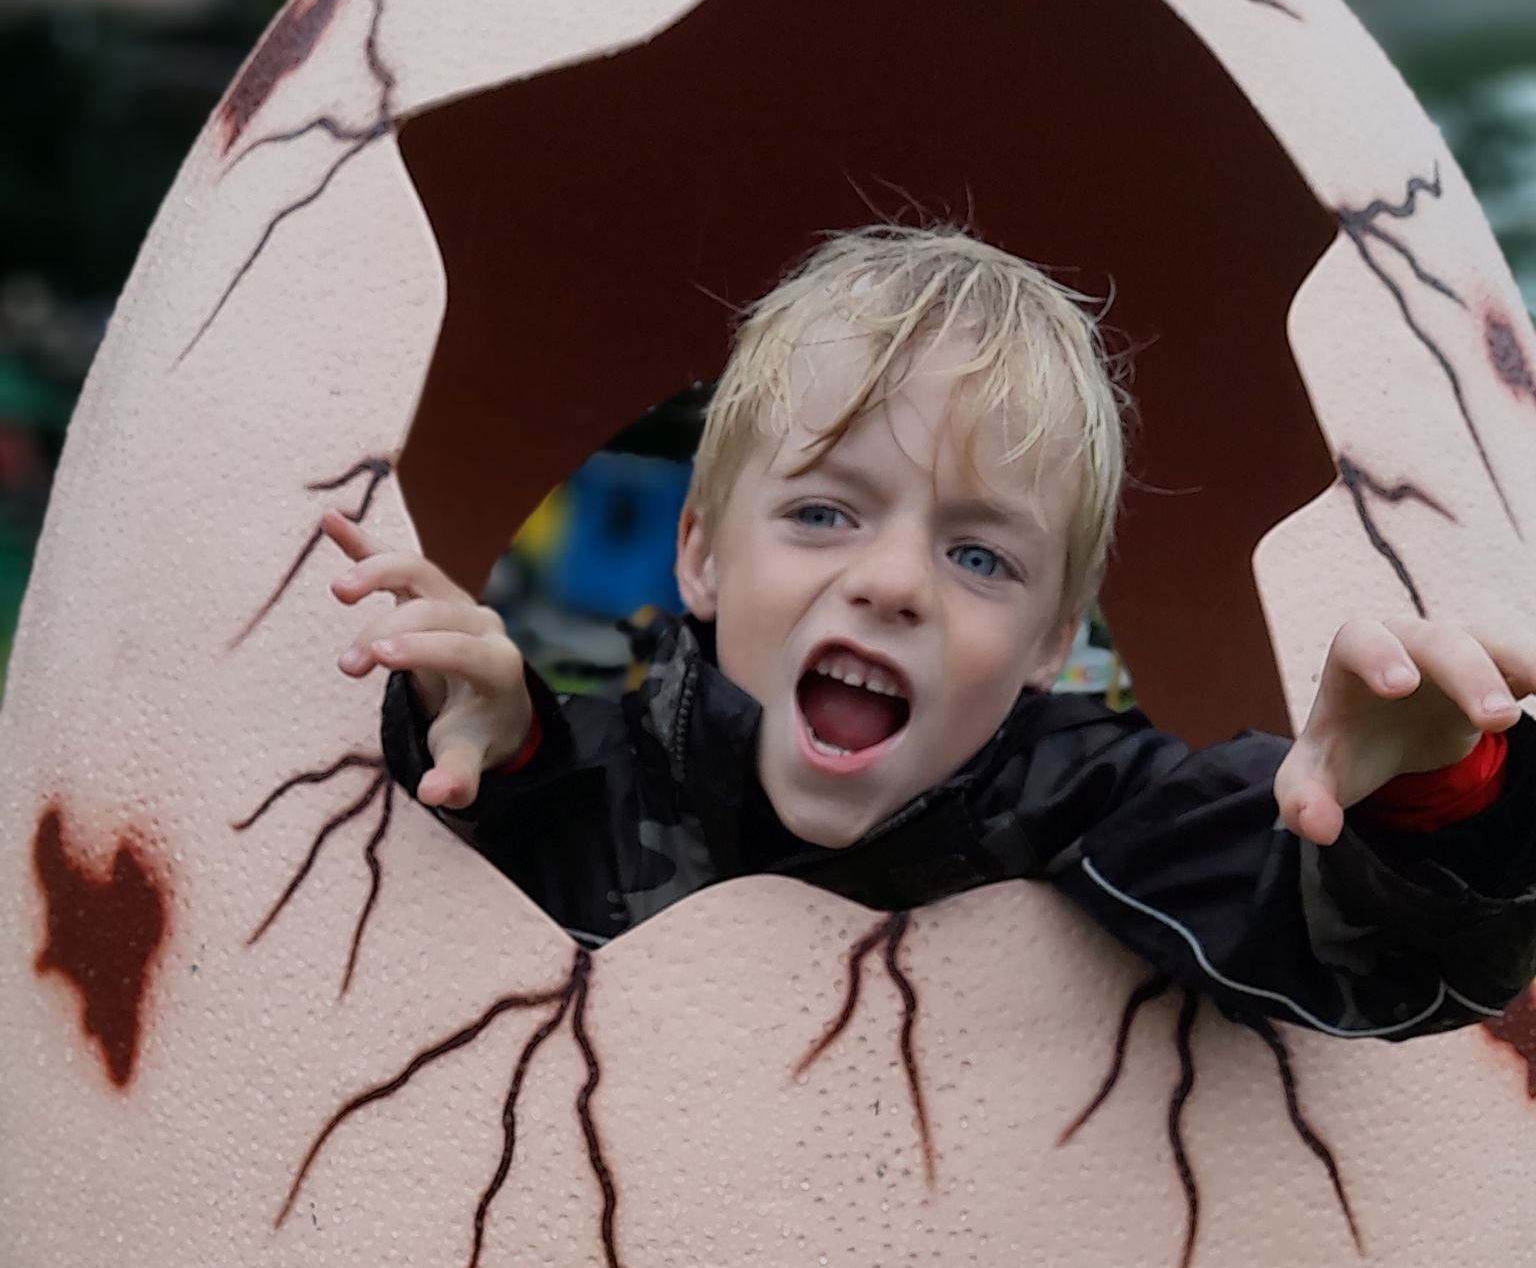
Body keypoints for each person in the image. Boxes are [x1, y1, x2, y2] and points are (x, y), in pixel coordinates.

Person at [324, 224, 1536, 1038]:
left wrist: (1429, 801)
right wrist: (489, 744)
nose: (895, 580)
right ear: (699, 552)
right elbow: (484, 866)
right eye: (820, 511)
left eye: (978, 555)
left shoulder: (1084, 797)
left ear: (1053, 641)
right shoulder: (594, 771)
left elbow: (1357, 954)